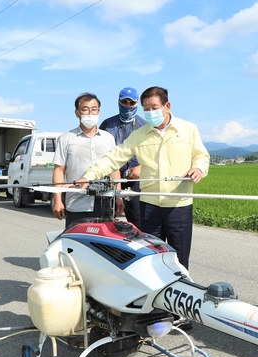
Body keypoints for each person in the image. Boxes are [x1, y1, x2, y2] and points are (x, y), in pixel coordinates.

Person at [78, 86, 210, 270]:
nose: (150, 112)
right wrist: (88, 176)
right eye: (146, 109)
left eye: (154, 107)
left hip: (179, 204)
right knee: (151, 257)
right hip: (149, 205)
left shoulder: (188, 129)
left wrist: (198, 168)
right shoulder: (139, 135)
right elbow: (113, 158)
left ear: (167, 106)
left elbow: (201, 156)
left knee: (179, 258)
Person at [52, 93, 123, 228]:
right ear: (77, 113)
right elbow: (59, 170)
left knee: (103, 239)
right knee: (76, 238)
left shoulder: (108, 138)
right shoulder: (66, 138)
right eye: (85, 109)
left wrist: (118, 196)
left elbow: (114, 169)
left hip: (105, 202)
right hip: (77, 202)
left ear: (99, 111)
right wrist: (57, 200)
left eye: (94, 109)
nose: (90, 113)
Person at [99, 87, 148, 228]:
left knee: (137, 219)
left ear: (137, 103)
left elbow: (153, 154)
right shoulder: (107, 125)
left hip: (135, 179)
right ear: (118, 102)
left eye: (132, 103)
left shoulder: (145, 126)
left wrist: (141, 167)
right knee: (107, 219)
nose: (128, 105)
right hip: (111, 179)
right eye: (124, 102)